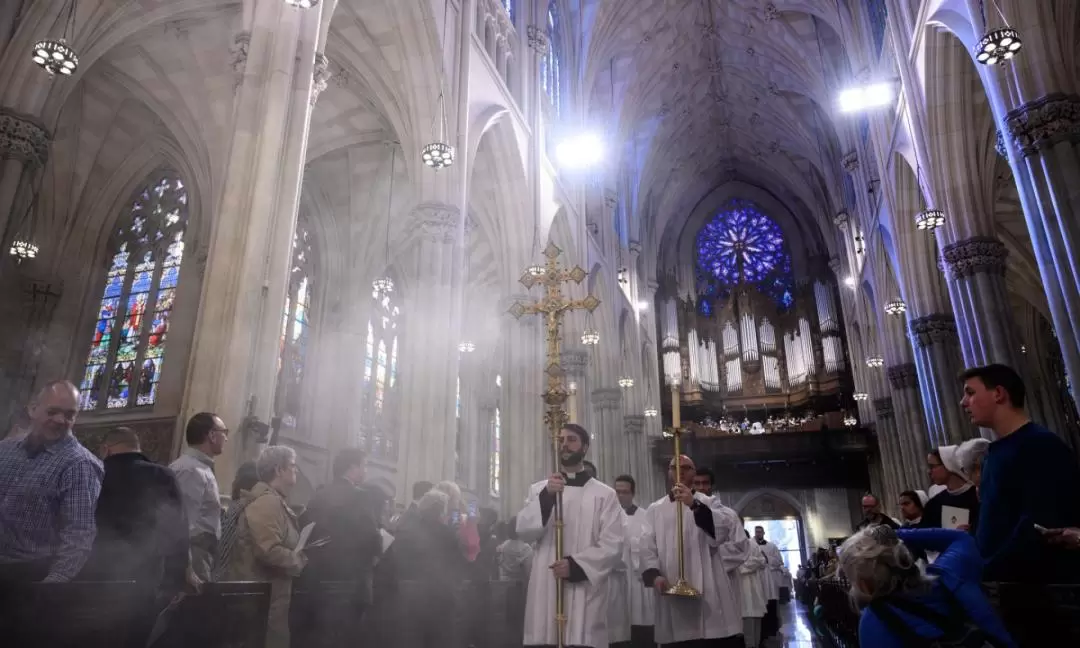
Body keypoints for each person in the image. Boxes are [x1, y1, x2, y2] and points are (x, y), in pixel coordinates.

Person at [959, 364, 1080, 582]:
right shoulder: (994, 454)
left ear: (998, 394)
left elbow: (1041, 526)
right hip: (1003, 585)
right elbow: (1000, 520)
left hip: (1038, 587)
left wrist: (986, 566)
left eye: (970, 393)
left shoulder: (1039, 445)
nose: (963, 402)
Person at [517, 423, 623, 648]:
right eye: (561, 440)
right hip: (547, 585)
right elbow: (525, 530)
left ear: (585, 447)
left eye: (571, 439)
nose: (564, 444)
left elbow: (613, 544)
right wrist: (547, 496)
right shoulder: (539, 489)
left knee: (580, 638)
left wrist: (576, 566)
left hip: (584, 587)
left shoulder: (605, 494)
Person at [838, 526, 1017, 648]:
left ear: (863, 583)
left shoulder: (874, 622)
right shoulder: (949, 574)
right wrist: (891, 534)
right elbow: (960, 538)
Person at [0, 380, 103, 584]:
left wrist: (53, 585)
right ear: (33, 409)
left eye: (69, 415)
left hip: (29, 574)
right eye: (53, 411)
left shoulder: (79, 464)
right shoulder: (5, 451)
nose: (60, 420)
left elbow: (79, 533)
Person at [641, 454, 748, 647]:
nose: (679, 471)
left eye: (686, 468)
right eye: (674, 467)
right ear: (668, 473)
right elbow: (646, 547)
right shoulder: (654, 509)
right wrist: (654, 575)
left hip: (708, 587)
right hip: (670, 588)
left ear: (694, 472)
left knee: (711, 637)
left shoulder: (709, 503)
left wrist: (693, 504)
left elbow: (721, 531)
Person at [294, 448, 382, 646]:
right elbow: (372, 537)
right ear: (352, 467)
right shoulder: (361, 496)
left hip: (318, 581)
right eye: (364, 466)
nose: (366, 471)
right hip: (351, 584)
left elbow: (307, 528)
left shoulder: (319, 495)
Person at [224, 445, 306, 648]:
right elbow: (268, 550)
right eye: (293, 466)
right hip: (264, 601)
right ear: (279, 470)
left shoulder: (275, 500)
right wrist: (299, 559)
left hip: (271, 599)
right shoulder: (268, 502)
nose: (296, 470)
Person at [380, 489, 471, 648]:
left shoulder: (408, 529)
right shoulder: (446, 532)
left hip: (412, 594)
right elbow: (457, 562)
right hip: (439, 594)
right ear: (440, 510)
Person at [170, 412, 229, 581]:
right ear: (211, 435)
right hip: (193, 555)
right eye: (224, 432)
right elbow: (183, 523)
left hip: (201, 553)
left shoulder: (201, 468)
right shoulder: (190, 470)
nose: (226, 438)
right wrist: (188, 570)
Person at [611, 475, 655, 648]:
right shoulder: (606, 517)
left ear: (633, 493)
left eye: (625, 492)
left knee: (640, 624)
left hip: (638, 583)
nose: (620, 496)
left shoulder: (645, 517)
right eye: (617, 492)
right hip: (615, 580)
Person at [922, 445, 979, 532]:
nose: (929, 471)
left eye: (932, 466)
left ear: (948, 464)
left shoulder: (978, 495)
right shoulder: (933, 504)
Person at [754, 525, 785, 647]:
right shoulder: (751, 544)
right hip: (756, 577)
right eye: (756, 531)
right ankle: (761, 631)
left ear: (764, 533)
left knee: (770, 603)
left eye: (760, 531)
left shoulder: (771, 546)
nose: (758, 533)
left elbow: (779, 561)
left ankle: (771, 629)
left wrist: (767, 559)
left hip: (769, 578)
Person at [738, 530, 768, 648]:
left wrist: (742, 563)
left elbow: (761, 561)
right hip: (741, 586)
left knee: (754, 616)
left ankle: (754, 644)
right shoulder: (732, 546)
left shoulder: (753, 545)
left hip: (753, 585)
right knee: (747, 617)